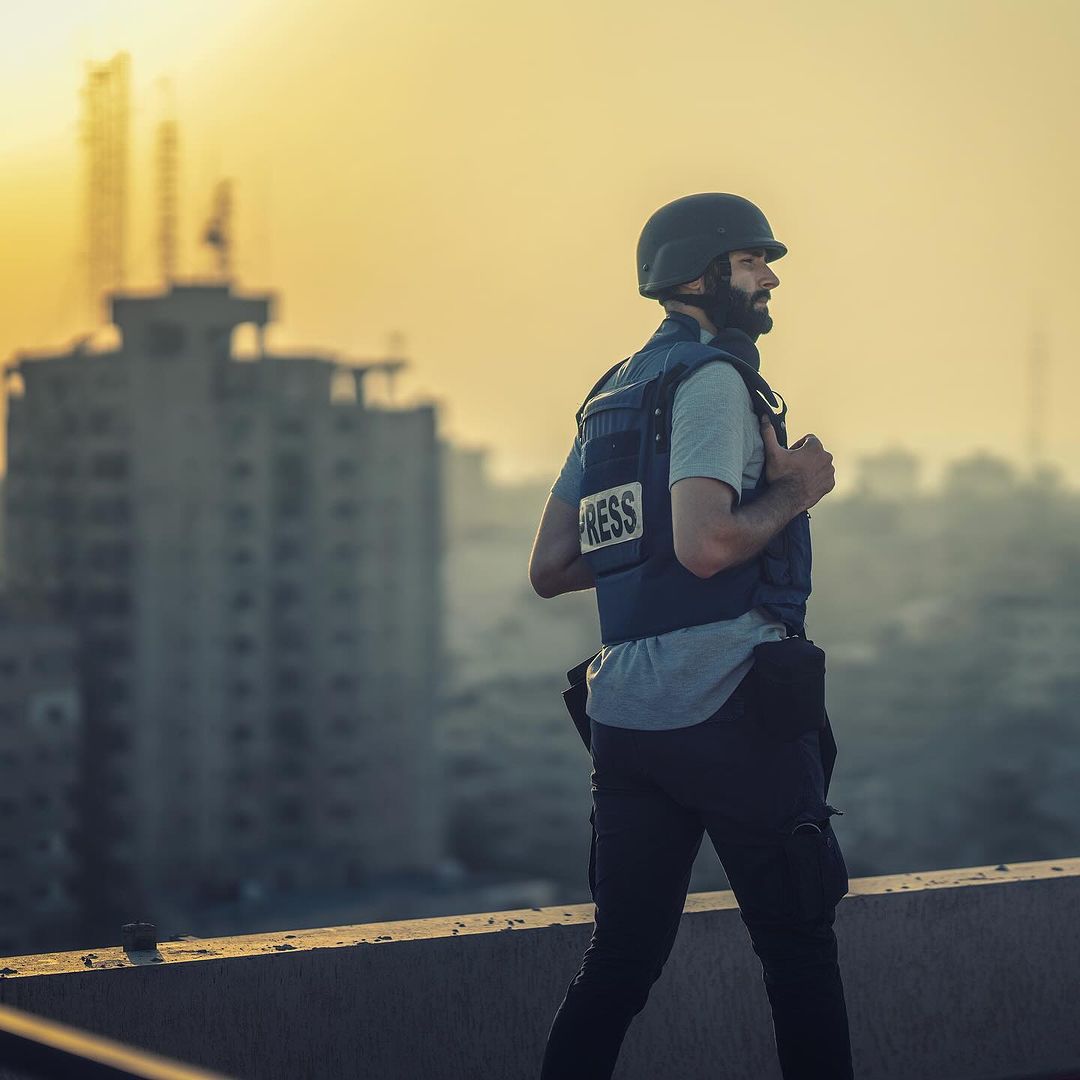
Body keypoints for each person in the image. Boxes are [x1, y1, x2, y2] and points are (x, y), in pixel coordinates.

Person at [528, 192, 854, 1080]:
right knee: (797, 953)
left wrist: (650, 559)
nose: (770, 276)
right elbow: (706, 543)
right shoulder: (712, 381)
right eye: (753, 262)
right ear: (702, 276)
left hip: (627, 722)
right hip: (732, 709)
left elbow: (553, 566)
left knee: (620, 963)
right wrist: (797, 491)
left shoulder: (612, 398)